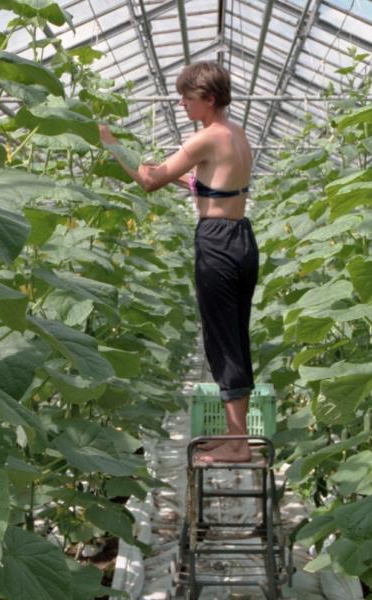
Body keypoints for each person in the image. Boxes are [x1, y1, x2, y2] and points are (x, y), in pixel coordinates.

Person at [99, 61, 258, 463]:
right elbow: (204, 184)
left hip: (217, 241)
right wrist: (168, 172)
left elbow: (148, 182)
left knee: (221, 340)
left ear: (209, 98)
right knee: (235, 335)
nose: (181, 104)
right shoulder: (236, 134)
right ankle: (235, 436)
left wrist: (111, 144)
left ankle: (237, 444)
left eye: (187, 97)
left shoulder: (205, 138)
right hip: (241, 237)